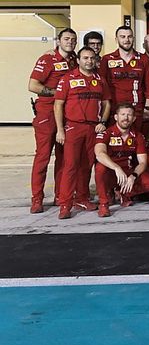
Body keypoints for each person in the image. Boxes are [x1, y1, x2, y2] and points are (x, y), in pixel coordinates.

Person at [53, 46, 110, 219]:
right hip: (73, 127)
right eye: (85, 58)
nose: (89, 61)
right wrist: (60, 130)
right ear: (78, 60)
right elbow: (58, 105)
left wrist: (103, 122)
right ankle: (65, 204)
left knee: (87, 166)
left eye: (92, 58)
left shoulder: (100, 79)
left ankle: (83, 198)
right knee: (70, 166)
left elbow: (107, 103)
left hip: (93, 128)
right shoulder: (68, 78)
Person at [27, 27, 77, 213]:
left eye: (73, 39)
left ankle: (60, 195)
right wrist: (57, 94)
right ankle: (37, 199)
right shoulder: (47, 59)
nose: (70, 42)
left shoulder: (74, 61)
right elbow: (32, 85)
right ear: (58, 40)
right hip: (47, 113)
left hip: (67, 114)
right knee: (43, 156)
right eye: (66, 39)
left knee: (64, 158)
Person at [94, 103, 149, 216]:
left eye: (129, 115)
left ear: (133, 119)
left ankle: (124, 193)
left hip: (127, 172)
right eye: (122, 114)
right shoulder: (106, 133)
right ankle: (104, 203)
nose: (126, 118)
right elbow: (99, 154)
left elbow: (143, 162)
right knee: (100, 168)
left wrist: (133, 176)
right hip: (111, 172)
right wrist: (116, 167)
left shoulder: (138, 136)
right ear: (116, 117)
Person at [101, 25, 149, 129]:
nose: (126, 40)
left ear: (133, 39)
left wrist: (147, 108)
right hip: (114, 110)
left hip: (136, 110)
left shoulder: (143, 59)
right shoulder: (106, 59)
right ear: (117, 39)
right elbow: (102, 86)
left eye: (129, 37)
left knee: (136, 141)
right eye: (123, 37)